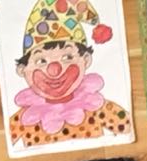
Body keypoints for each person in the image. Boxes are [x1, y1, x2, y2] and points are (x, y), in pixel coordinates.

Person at [9, 0, 130, 149]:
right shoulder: (24, 119)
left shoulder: (96, 106)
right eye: (41, 61)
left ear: (85, 60)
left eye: (67, 57)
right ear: (22, 70)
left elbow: (126, 127)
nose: (54, 70)